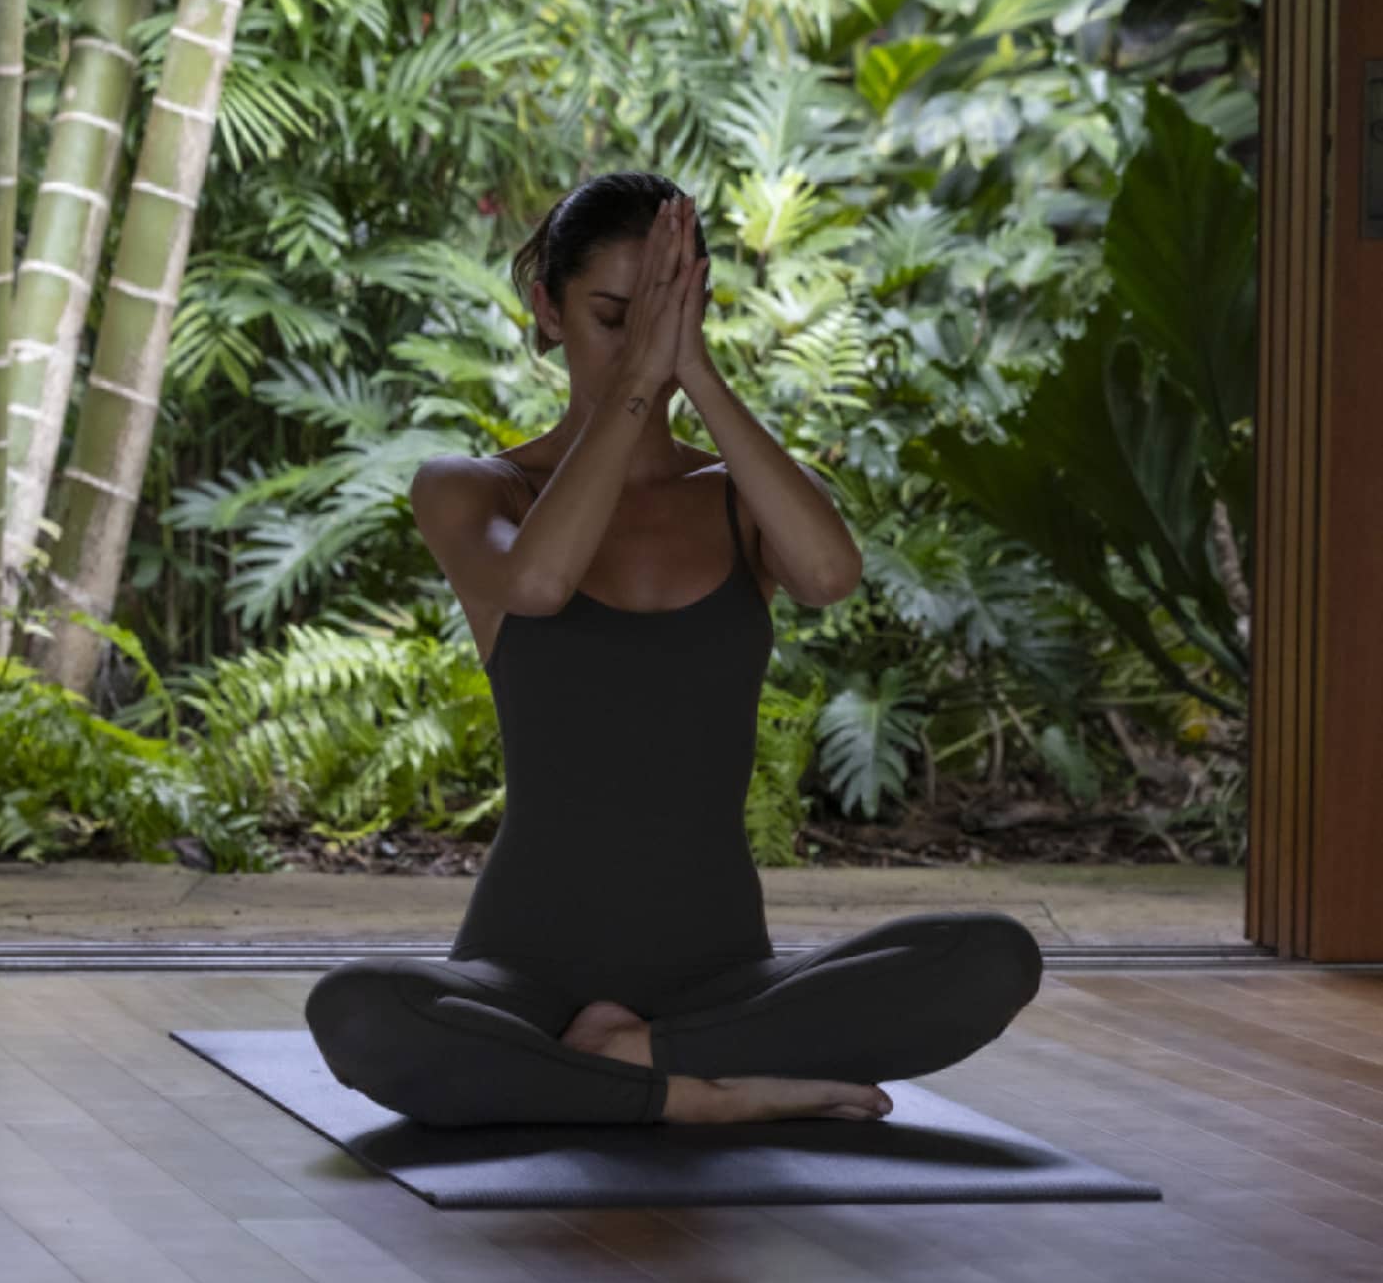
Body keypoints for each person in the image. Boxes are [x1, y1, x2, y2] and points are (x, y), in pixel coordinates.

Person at [304, 172, 1043, 1128]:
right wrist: (642, 383)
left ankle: (638, 1065)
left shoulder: (739, 495)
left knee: (991, 958)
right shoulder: (473, 490)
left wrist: (693, 372)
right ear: (547, 307)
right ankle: (697, 1096)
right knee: (359, 1015)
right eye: (614, 317)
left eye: (667, 316)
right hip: (523, 974)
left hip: (726, 977)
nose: (638, 347)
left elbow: (829, 575)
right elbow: (536, 586)